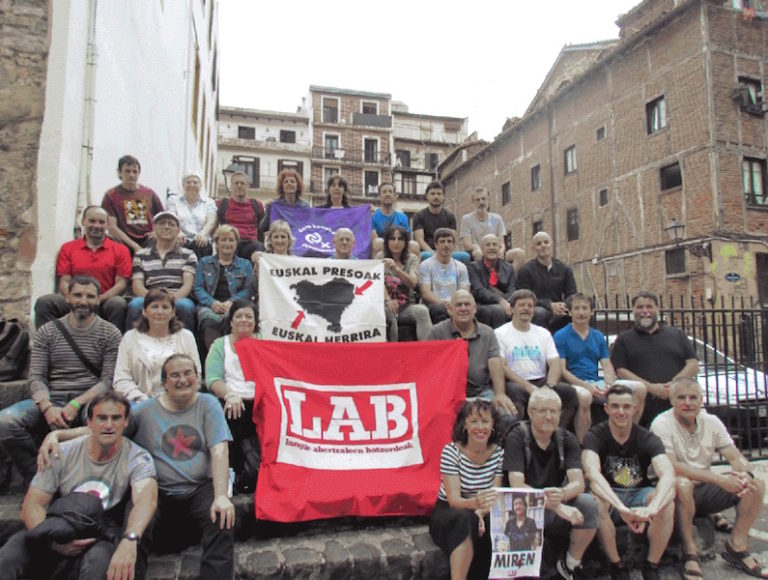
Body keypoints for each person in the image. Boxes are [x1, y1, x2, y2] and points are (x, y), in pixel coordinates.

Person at [40, 355, 236, 580]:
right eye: (174, 375)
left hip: (199, 487)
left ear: (197, 377)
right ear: (164, 383)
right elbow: (106, 428)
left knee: (223, 517)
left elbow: (219, 449)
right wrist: (59, 434)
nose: (182, 380)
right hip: (157, 490)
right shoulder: (144, 411)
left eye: (187, 373)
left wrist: (221, 495)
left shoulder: (208, 404)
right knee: (136, 522)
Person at [0, 392, 157, 580]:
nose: (109, 425)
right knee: (9, 558)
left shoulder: (138, 458)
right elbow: (33, 504)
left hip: (100, 531)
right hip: (58, 523)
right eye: (101, 418)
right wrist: (51, 541)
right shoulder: (62, 452)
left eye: (116, 418)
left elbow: (145, 500)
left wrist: (130, 539)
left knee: (98, 566)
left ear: (125, 423)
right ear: (89, 423)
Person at [0, 276, 122, 485]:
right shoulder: (48, 332)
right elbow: (36, 376)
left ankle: (90, 481)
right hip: (52, 397)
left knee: (105, 423)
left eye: (90, 296)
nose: (83, 301)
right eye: (78, 295)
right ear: (67, 297)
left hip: (90, 398)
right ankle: (38, 478)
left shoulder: (110, 333)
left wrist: (76, 403)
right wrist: (47, 407)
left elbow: (107, 380)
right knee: (5, 422)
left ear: (99, 299)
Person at [651, 378, 768, 580]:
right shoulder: (661, 424)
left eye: (693, 397)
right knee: (683, 483)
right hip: (672, 490)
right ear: (671, 400)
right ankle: (690, 552)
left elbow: (734, 455)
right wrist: (720, 480)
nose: (688, 402)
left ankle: (737, 547)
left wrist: (744, 473)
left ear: (701, 400)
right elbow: (673, 467)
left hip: (704, 487)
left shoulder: (711, 421)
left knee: (755, 484)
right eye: (681, 397)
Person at [582, 385, 676, 580]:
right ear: (606, 409)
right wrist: (620, 508)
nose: (621, 412)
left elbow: (667, 474)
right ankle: (617, 565)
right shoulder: (595, 435)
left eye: (626, 406)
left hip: (638, 493)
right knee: (595, 502)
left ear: (634, 409)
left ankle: (651, 565)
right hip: (610, 495)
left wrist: (653, 508)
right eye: (615, 406)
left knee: (668, 501)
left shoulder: (647, 437)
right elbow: (592, 474)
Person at [504, 388, 598, 580]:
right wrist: (557, 506)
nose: (549, 417)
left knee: (588, 504)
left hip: (554, 502)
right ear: (530, 412)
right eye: (542, 411)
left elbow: (578, 483)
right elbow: (516, 484)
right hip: (524, 505)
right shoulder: (517, 436)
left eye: (554, 411)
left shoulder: (567, 438)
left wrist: (562, 495)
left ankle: (569, 565)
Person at [554, 293, 647, 442]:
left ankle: (626, 437)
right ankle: (584, 444)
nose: (581, 312)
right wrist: (587, 386)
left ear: (591, 312)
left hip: (596, 381)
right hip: (574, 383)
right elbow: (562, 370)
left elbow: (606, 364)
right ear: (570, 312)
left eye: (585, 308)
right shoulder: (561, 336)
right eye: (576, 308)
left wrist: (610, 384)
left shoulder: (597, 336)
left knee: (640, 388)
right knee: (585, 397)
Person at [429, 399, 503, 580]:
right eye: (474, 421)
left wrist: (480, 511)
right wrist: (476, 508)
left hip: (483, 509)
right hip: (450, 509)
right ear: (465, 426)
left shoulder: (499, 453)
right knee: (465, 520)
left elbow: (495, 494)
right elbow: (454, 501)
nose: (480, 427)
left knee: (497, 522)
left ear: (492, 425)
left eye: (485, 421)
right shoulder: (451, 452)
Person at [495, 289, 581, 433]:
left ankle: (557, 433)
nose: (526, 309)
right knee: (516, 394)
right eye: (521, 305)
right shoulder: (500, 333)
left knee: (569, 393)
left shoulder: (543, 333)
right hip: (515, 382)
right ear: (511, 309)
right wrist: (527, 386)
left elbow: (555, 363)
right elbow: (502, 366)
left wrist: (550, 385)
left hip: (542, 381)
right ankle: (522, 436)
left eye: (530, 305)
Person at [35, 205, 132, 331]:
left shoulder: (121, 250)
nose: (96, 226)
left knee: (118, 304)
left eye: (101, 222)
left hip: (103, 301)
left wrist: (98, 299)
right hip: (73, 301)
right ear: (83, 221)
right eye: (92, 221)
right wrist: (76, 298)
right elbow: (64, 281)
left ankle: (114, 348)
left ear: (107, 224)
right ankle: (45, 345)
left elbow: (121, 285)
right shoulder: (68, 248)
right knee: (45, 302)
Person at [426, 291, 516, 426]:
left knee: (506, 415)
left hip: (481, 392)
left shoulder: (488, 333)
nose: (463, 308)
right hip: (447, 394)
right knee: (434, 417)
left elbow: (495, 363)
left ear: (475, 309)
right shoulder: (437, 332)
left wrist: (500, 394)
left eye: (467, 304)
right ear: (450, 310)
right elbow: (427, 363)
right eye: (458, 305)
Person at [610, 290, 699, 426]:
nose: (645, 311)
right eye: (640, 307)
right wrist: (652, 388)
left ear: (657, 309)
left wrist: (673, 385)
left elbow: (693, 364)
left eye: (649, 306)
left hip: (676, 403)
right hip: (642, 407)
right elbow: (621, 371)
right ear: (633, 310)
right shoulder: (624, 339)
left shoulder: (677, 335)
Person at [205, 300, 260, 493]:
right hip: (233, 399)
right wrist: (230, 394)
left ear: (255, 321)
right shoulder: (220, 345)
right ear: (230, 321)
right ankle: (234, 473)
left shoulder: (265, 341)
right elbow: (212, 379)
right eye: (239, 316)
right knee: (233, 412)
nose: (243, 320)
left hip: (261, 399)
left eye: (248, 316)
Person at [114, 288, 201, 403]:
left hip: (179, 402)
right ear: (144, 311)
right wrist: (142, 399)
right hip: (140, 403)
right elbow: (121, 379)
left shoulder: (186, 337)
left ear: (173, 312)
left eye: (165, 307)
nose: (160, 312)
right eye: (154, 307)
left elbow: (196, 375)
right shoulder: (129, 338)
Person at [126, 210, 198, 331]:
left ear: (178, 229)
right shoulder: (141, 254)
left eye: (171, 224)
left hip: (177, 297)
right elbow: (137, 286)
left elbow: (187, 286)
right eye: (162, 223)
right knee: (135, 305)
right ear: (154, 228)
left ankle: (185, 347)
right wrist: (154, 300)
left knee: (185, 306)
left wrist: (169, 300)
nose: (166, 227)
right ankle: (132, 345)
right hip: (148, 296)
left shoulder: (189, 255)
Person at [194, 225, 254, 356]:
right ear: (216, 242)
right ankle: (216, 358)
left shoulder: (246, 264)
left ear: (236, 243)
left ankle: (237, 358)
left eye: (231, 240)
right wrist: (212, 303)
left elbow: (248, 289)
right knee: (209, 321)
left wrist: (232, 302)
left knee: (237, 319)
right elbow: (198, 288)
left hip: (235, 305)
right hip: (209, 305)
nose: (227, 243)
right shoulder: (204, 262)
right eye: (224, 239)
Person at [101, 154, 164, 254]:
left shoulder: (149, 193)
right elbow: (112, 227)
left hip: (148, 240)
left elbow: (163, 218)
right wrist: (134, 246)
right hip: (123, 241)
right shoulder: (111, 195)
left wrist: (156, 232)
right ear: (119, 173)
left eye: (135, 171)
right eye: (127, 171)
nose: (131, 175)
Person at [515, 231, 577, 332]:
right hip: (537, 307)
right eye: (539, 244)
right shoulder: (525, 270)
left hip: (560, 308)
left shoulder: (565, 269)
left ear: (551, 244)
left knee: (580, 312)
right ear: (533, 248)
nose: (543, 245)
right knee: (539, 313)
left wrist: (564, 306)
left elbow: (572, 293)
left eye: (546, 242)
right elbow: (524, 296)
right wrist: (549, 305)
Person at [379, 225, 432, 341]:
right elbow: (377, 281)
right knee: (390, 312)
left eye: (400, 239)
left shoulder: (412, 259)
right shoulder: (380, 257)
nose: (396, 243)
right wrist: (388, 300)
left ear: (405, 242)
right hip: (386, 305)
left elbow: (413, 283)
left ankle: (429, 351)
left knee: (422, 311)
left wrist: (396, 270)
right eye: (392, 239)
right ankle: (394, 352)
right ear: (387, 242)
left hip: (407, 306)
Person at [419, 228, 470, 323]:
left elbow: (464, 291)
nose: (446, 245)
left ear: (454, 245)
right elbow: (425, 293)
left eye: (449, 241)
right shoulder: (426, 265)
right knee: (438, 309)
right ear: (436, 245)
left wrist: (455, 304)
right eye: (442, 241)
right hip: (434, 304)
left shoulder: (461, 267)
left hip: (456, 304)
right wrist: (443, 303)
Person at [412, 180, 469, 263]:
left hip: (446, 251)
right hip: (428, 252)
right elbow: (420, 240)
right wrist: (434, 254)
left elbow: (452, 239)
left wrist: (445, 253)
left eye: (439, 194)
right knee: (426, 255)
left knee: (465, 256)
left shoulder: (450, 216)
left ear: (443, 196)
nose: (436, 196)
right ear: (427, 196)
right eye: (433, 194)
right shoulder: (419, 216)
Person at [467, 234, 516, 329]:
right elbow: (478, 291)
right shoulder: (473, 267)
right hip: (483, 304)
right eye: (488, 245)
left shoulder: (508, 268)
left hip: (506, 303)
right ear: (481, 249)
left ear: (499, 248)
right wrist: (500, 301)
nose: (492, 248)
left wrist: (506, 302)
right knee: (498, 311)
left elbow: (512, 289)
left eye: (494, 244)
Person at [166, 172, 217, 259]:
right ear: (183, 185)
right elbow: (171, 218)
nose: (192, 185)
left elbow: (211, 221)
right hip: (180, 238)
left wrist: (203, 234)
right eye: (188, 182)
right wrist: (178, 232)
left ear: (200, 186)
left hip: (200, 240)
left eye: (195, 182)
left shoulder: (209, 202)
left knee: (200, 245)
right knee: (177, 244)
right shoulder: (173, 200)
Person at [216, 170, 265, 260]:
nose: (239, 186)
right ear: (231, 186)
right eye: (236, 183)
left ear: (248, 186)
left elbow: (262, 229)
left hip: (251, 244)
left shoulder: (257, 205)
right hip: (230, 241)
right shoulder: (222, 204)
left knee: (260, 248)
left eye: (242, 183)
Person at [249, 219, 294, 307]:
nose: (280, 240)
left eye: (283, 237)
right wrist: (257, 267)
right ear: (270, 239)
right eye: (276, 237)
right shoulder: (262, 260)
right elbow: (254, 287)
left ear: (289, 239)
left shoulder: (296, 261)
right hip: (268, 305)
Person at [459, 187, 506, 262]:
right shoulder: (466, 219)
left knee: (518, 254)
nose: (481, 202)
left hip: (494, 250)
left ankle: (507, 273)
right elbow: (467, 244)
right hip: (476, 252)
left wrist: (502, 250)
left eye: (483, 199)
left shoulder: (497, 218)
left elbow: (501, 243)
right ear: (473, 202)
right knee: (478, 253)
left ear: (488, 200)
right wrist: (481, 249)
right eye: (478, 200)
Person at [260, 168, 309, 233]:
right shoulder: (274, 205)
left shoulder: (305, 205)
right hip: (281, 240)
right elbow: (262, 228)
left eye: (292, 181)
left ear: (297, 186)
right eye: (286, 182)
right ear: (282, 186)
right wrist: (269, 210)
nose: (289, 183)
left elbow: (308, 227)